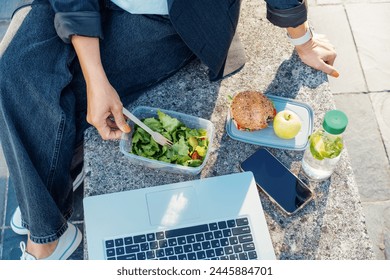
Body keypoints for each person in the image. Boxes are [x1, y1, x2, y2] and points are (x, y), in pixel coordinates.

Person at [0, 0, 337, 260]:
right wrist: (95, 76)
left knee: (63, 96)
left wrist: (303, 40)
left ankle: (44, 233)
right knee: (12, 73)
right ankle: (45, 210)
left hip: (161, 16)